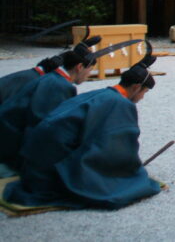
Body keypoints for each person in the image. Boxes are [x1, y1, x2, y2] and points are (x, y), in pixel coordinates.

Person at [4, 50, 162, 209]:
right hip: (50, 164)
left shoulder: (100, 93)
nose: (142, 98)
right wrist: (131, 168)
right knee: (129, 185)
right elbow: (115, 143)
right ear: (136, 87)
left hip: (34, 156)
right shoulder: (122, 104)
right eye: (144, 92)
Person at [0, 35, 101, 171]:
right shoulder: (58, 86)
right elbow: (43, 128)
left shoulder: (51, 78)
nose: (88, 75)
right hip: (10, 153)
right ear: (79, 67)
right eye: (90, 71)